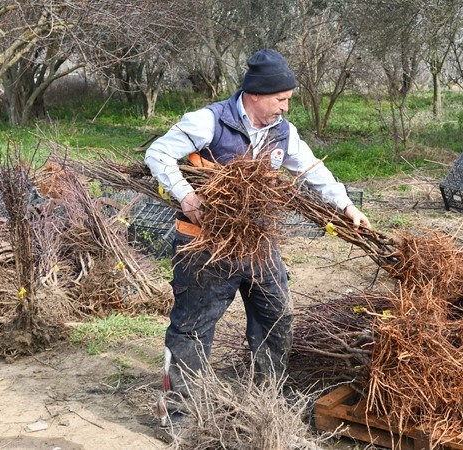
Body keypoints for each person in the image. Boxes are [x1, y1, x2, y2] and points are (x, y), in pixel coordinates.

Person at [145, 48, 369, 402]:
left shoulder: (283, 131)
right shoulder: (208, 121)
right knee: (191, 331)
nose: (285, 107)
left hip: (260, 245)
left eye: (288, 100)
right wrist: (188, 200)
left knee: (275, 319)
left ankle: (268, 402)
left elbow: (312, 170)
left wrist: (346, 206)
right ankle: (181, 415)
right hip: (206, 247)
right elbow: (157, 153)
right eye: (280, 99)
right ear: (255, 95)